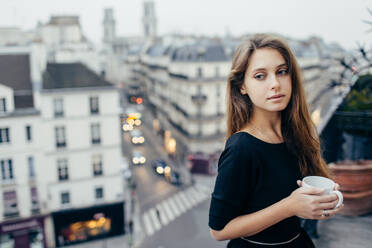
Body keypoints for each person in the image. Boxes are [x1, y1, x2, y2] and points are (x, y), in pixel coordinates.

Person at [208, 34, 343, 247]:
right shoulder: (241, 148)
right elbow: (219, 229)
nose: (275, 84)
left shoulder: (295, 135)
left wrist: (324, 202)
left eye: (281, 72)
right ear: (242, 86)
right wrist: (289, 206)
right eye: (260, 76)